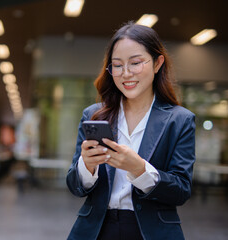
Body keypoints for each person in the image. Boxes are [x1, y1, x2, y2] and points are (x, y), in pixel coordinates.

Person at [66, 22, 195, 240]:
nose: (126, 74)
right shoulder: (93, 115)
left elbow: (181, 190)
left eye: (135, 63)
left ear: (157, 63)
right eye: (117, 65)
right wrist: (86, 166)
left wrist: (140, 169)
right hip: (97, 230)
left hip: (151, 232)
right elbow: (75, 186)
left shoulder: (180, 120)